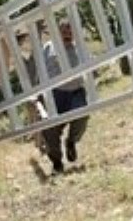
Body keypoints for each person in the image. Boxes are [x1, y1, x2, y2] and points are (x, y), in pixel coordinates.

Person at [32, 19, 90, 173]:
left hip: (76, 91)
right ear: (57, 32)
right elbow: (40, 71)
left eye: (70, 31)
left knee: (82, 115)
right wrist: (38, 94)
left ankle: (71, 142)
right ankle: (57, 162)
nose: (67, 34)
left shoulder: (80, 48)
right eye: (64, 31)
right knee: (49, 126)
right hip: (54, 94)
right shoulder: (48, 48)